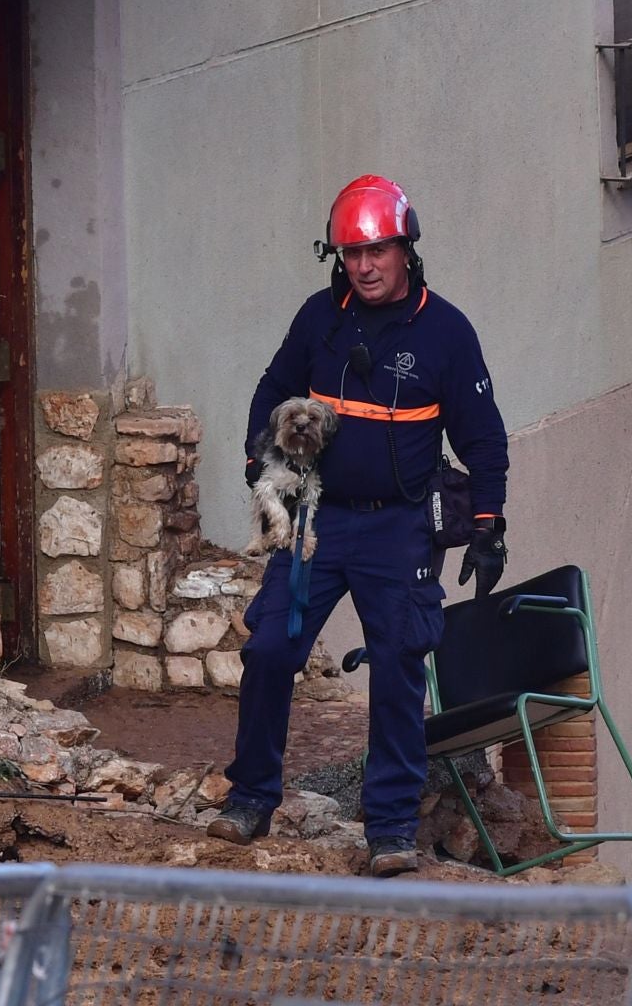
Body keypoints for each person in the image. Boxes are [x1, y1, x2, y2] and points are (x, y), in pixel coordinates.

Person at [208, 175, 510, 879]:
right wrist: (260, 457)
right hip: (318, 519)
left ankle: (392, 829)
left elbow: (483, 438)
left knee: (400, 664)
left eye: (377, 251)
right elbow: (271, 389)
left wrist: (490, 524)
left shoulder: (446, 333)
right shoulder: (320, 319)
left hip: (400, 528)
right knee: (270, 651)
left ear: (405, 250)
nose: (365, 266)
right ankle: (251, 796)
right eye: (350, 253)